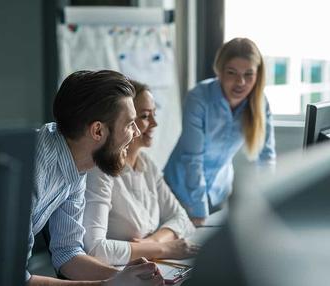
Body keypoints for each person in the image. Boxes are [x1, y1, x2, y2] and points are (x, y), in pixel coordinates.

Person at [28, 70, 164, 286]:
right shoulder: (32, 168)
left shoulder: (77, 164)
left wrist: (121, 277)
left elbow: (68, 254)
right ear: (98, 131)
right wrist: (108, 285)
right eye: (129, 124)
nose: (137, 132)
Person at [83, 79, 199, 266]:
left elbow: (181, 218)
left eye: (154, 114)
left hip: (150, 263)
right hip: (117, 272)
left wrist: (152, 243)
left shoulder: (147, 165)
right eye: (145, 116)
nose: (154, 123)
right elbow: (95, 250)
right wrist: (164, 248)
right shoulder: (100, 170)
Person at [164, 37, 276, 226]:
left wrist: (271, 203)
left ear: (258, 75)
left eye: (249, 74)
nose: (240, 82)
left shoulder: (260, 103)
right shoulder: (199, 97)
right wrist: (198, 211)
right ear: (219, 71)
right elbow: (193, 158)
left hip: (219, 192)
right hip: (180, 191)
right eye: (232, 73)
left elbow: (266, 157)